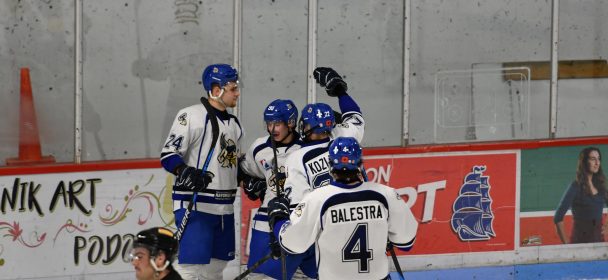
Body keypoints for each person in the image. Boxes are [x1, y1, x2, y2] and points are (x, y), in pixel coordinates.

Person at [267, 137, 418, 280]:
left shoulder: (316, 199)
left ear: (331, 165)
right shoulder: (386, 194)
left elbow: (294, 244)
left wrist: (279, 220)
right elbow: (406, 243)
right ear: (360, 164)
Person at [160, 63, 243, 279]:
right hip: (196, 205)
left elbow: (231, 164)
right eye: (233, 88)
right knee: (190, 268)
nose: (237, 93)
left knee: (216, 268)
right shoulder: (190, 116)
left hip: (224, 208)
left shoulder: (234, 124)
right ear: (216, 91)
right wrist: (184, 171)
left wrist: (248, 179)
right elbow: (168, 154)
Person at [238, 99, 317, 279]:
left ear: (290, 123)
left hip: (300, 218)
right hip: (267, 218)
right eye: (269, 123)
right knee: (258, 275)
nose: (272, 129)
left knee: (305, 274)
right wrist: (250, 183)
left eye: (277, 123)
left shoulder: (307, 148)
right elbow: (242, 172)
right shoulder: (259, 147)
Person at [282, 66, 365, 208]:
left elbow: (297, 207)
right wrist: (340, 91)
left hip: (324, 219)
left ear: (308, 128)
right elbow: (354, 115)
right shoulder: (345, 137)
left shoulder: (296, 158)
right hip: (358, 210)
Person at [554, 147, 608, 244]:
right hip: (580, 245)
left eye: (598, 159)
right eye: (593, 159)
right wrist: (567, 245)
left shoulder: (600, 186)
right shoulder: (575, 186)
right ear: (584, 162)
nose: (597, 163)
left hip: (599, 244)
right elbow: (558, 217)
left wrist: (606, 226)